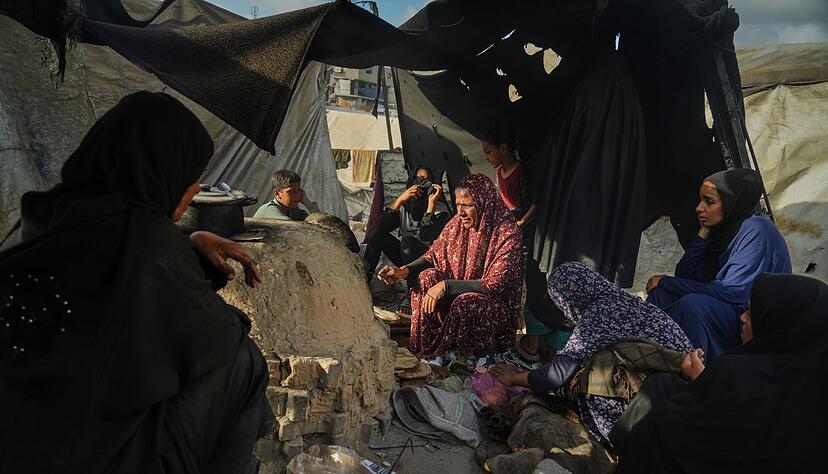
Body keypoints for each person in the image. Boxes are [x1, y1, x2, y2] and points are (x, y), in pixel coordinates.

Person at [0, 92, 270, 474]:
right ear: (162, 171)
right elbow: (220, 333)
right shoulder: (144, 240)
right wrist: (178, 253)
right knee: (244, 361)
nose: (193, 189)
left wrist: (184, 248)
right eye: (189, 178)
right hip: (84, 457)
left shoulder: (40, 215)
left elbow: (103, 284)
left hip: (18, 439)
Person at [611, 274, 828, 473]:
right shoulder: (814, 397)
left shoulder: (738, 377)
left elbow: (690, 430)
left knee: (657, 392)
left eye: (752, 315)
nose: (742, 318)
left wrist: (702, 381)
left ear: (779, 329)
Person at [491, 262, 694, 445]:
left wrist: (515, 377)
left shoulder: (598, 314)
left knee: (595, 376)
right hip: (688, 394)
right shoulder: (626, 301)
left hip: (657, 404)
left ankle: (619, 439)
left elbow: (558, 375)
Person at [646, 168, 791, 359]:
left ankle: (698, 374)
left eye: (709, 202)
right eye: (701, 200)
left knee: (693, 306)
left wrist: (665, 281)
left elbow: (732, 291)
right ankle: (650, 359)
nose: (699, 208)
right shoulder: (723, 230)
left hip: (752, 318)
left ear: (732, 202)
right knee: (660, 296)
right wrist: (702, 236)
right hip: (730, 307)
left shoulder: (757, 230)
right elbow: (684, 275)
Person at [378, 174, 523, 360]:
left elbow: (494, 284)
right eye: (458, 205)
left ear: (484, 203)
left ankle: (464, 358)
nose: (461, 212)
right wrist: (402, 271)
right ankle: (426, 350)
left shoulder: (507, 232)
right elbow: (433, 255)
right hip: (454, 297)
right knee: (426, 278)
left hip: (489, 305)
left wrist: (447, 286)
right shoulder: (456, 224)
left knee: (466, 303)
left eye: (468, 205)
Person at [364, 165, 450, 280]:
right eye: (421, 178)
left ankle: (412, 288)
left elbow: (426, 235)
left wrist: (431, 207)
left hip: (429, 261)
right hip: (406, 259)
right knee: (377, 235)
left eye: (428, 179)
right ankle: (366, 276)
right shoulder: (406, 207)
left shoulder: (440, 209)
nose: (425, 182)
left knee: (409, 244)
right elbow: (380, 227)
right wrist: (401, 199)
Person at [253, 169, 318, 221]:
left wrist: (308, 203)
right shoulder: (269, 210)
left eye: (299, 191)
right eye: (291, 191)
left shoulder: (293, 210)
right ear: (277, 193)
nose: (297, 195)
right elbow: (294, 228)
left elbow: (322, 223)